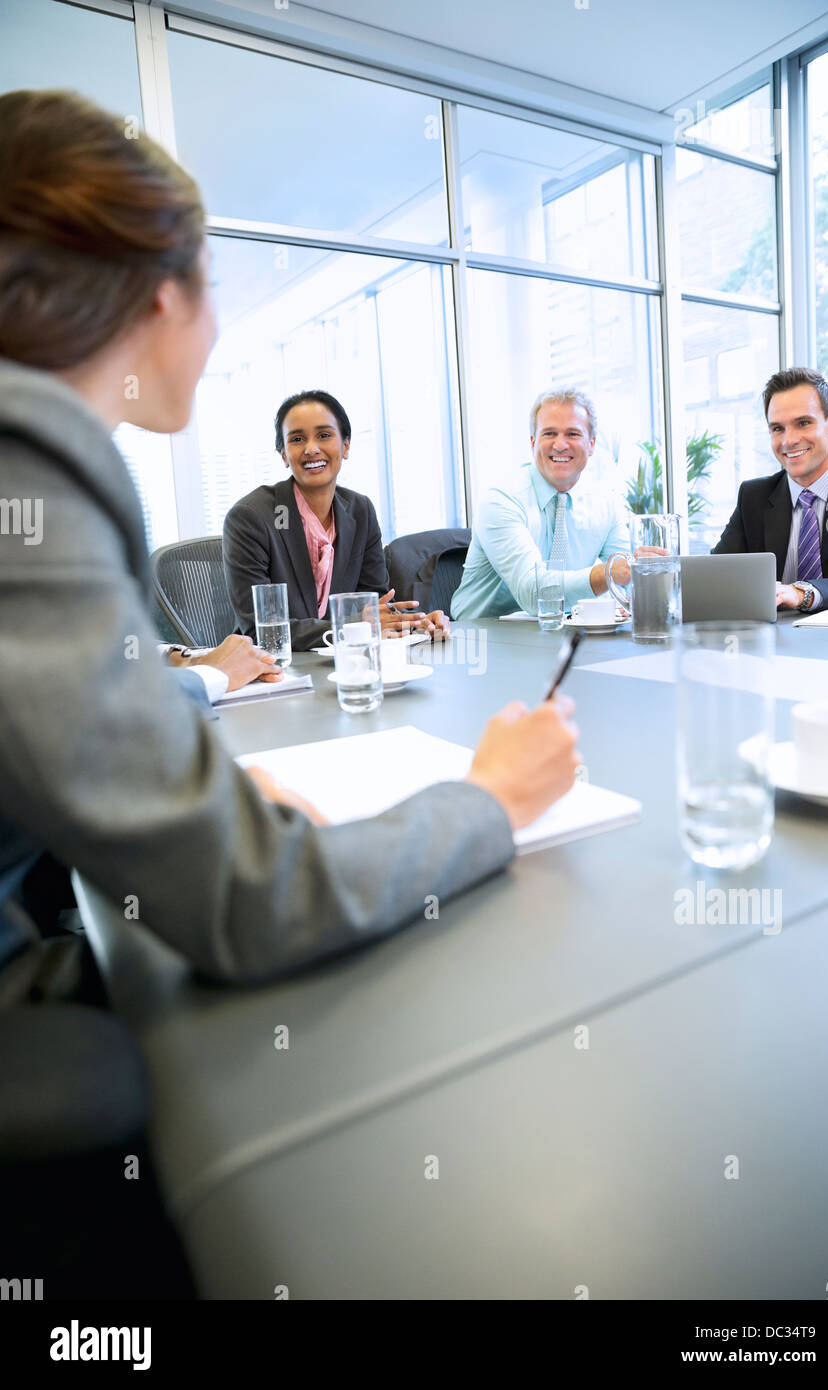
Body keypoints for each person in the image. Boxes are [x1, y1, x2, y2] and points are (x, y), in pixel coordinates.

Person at [0, 86, 580, 992]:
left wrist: (184, 783)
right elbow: (257, 900)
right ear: (163, 294)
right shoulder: (34, 471)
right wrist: (492, 799)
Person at [223, 389, 450, 650]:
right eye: (297, 439)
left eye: (324, 435)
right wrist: (350, 628)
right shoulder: (252, 518)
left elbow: (373, 608)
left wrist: (416, 623)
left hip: (350, 663)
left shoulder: (360, 511)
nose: (311, 448)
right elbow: (261, 629)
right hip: (278, 670)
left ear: (346, 446)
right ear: (284, 454)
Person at [450, 387, 632, 620]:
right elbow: (533, 593)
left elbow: (627, 584)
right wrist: (606, 574)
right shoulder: (501, 499)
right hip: (485, 637)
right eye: (549, 434)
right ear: (533, 442)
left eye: (573, 434)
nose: (560, 445)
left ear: (592, 444)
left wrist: (644, 571)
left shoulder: (607, 504)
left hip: (563, 632)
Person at [713, 367, 828, 611]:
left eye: (803, 423)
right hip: (772, 642)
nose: (788, 441)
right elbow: (715, 576)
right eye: (777, 428)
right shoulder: (754, 497)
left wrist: (802, 593)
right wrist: (664, 569)